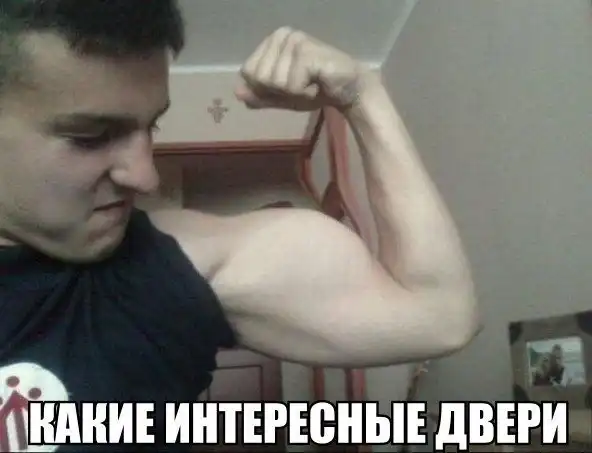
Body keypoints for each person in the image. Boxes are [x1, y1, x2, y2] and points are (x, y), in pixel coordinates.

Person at [0, 1, 480, 451]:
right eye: (90, 137)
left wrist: (362, 95)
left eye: (152, 127)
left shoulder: (168, 269)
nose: (145, 177)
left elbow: (440, 317)